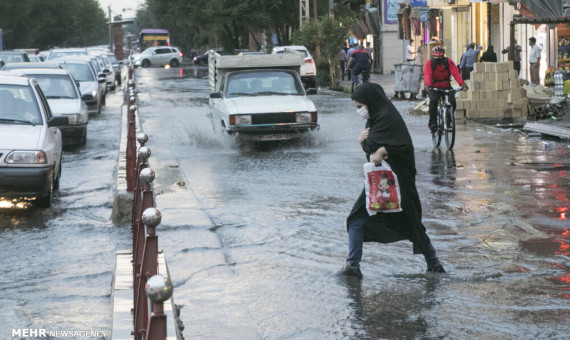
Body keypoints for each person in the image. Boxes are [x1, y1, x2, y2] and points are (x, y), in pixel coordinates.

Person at [342, 82, 446, 279]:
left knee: (412, 223)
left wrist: (382, 149)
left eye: (359, 106)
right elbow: (371, 154)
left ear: (370, 102)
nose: (359, 111)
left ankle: (434, 264)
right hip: (379, 183)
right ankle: (352, 265)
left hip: (400, 184)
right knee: (356, 219)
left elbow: (403, 146)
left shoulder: (389, 119)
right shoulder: (374, 120)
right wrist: (364, 143)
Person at [424, 45, 466, 132]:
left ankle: (449, 120)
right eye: (436, 56)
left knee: (452, 102)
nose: (438, 58)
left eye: (440, 56)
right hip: (433, 87)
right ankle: (433, 123)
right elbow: (427, 74)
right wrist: (428, 85)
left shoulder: (448, 62)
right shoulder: (429, 63)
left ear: (443, 55)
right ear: (433, 56)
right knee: (433, 101)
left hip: (446, 86)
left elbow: (456, 73)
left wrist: (462, 84)